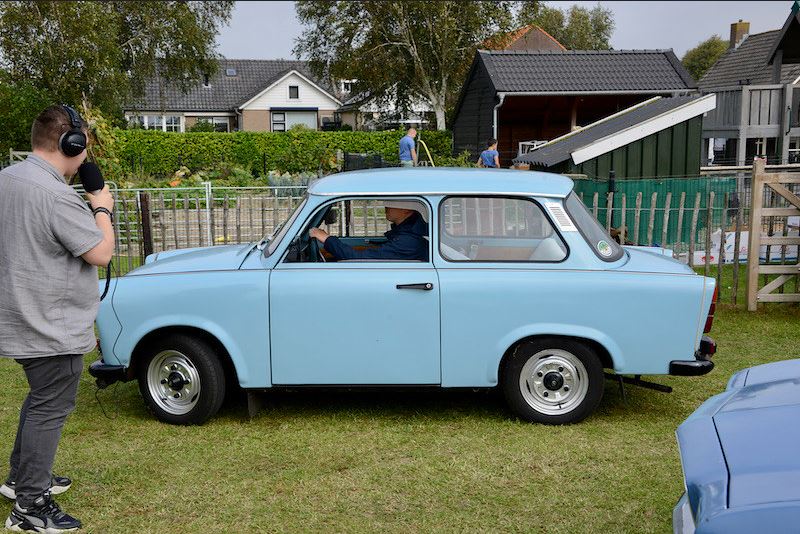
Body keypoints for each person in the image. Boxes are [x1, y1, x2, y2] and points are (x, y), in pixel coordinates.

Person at [0, 105, 116, 532]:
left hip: (20, 315)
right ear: (72, 144)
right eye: (84, 146)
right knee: (50, 407)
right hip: (50, 324)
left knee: (40, 398)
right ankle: (30, 506)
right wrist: (101, 208)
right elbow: (101, 253)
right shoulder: (56, 196)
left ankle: (20, 479)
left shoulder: (7, 178)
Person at [310, 201, 428, 261]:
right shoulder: (407, 233)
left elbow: (358, 258)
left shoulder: (408, 240)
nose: (386, 206)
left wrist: (326, 239)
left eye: (392, 203)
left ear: (407, 209)